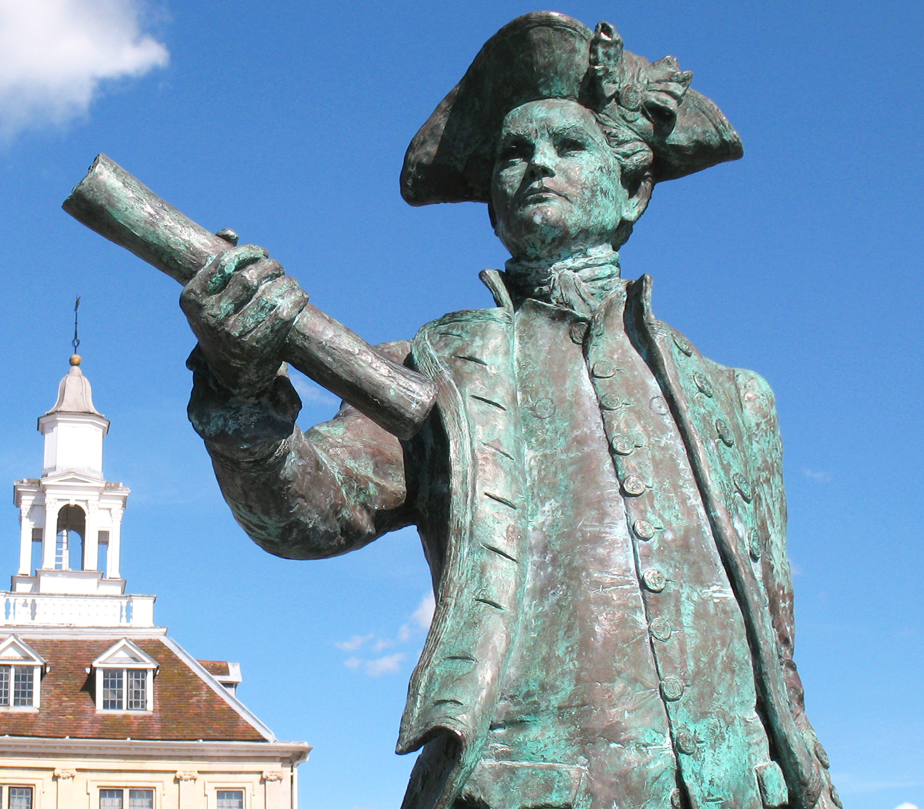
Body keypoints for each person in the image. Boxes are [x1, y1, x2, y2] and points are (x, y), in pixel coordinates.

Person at [179, 13, 838, 809]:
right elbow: (307, 512)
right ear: (492, 203)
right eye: (513, 155)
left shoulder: (736, 401)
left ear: (632, 188)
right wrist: (242, 388)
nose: (536, 166)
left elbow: (777, 646)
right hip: (524, 791)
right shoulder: (441, 365)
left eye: (567, 147)